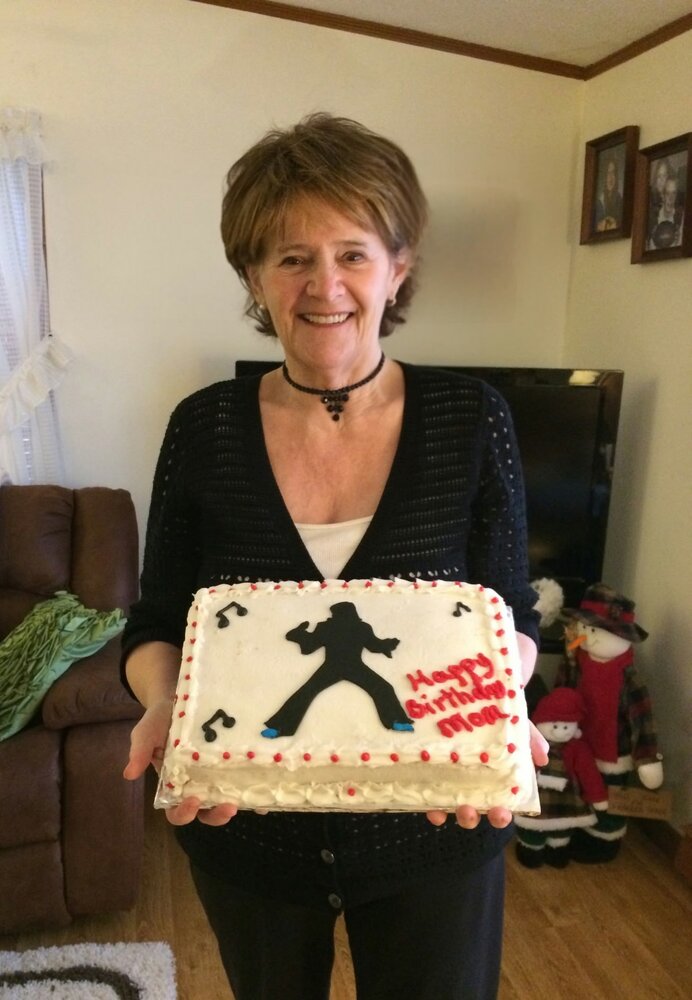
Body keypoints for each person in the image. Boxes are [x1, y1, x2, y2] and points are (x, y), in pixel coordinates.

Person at [121, 113, 547, 1000]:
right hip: (247, 831)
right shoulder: (202, 428)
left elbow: (506, 614)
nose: (325, 286)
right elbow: (160, 618)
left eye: (353, 253)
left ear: (399, 266)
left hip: (438, 826)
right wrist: (166, 706)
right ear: (253, 276)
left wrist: (495, 719)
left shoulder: (472, 420)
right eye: (292, 257)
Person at [594, 155, 623, 232]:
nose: (611, 177)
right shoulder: (598, 202)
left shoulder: (620, 201)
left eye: (613, 173)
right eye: (608, 173)